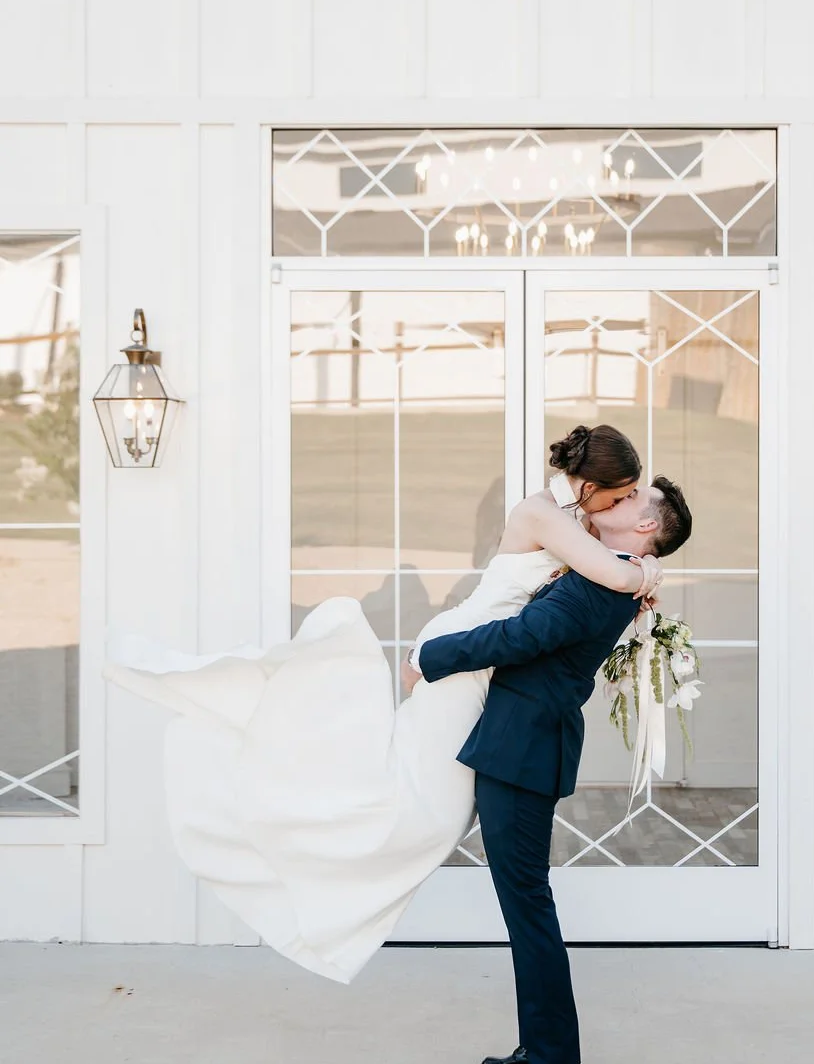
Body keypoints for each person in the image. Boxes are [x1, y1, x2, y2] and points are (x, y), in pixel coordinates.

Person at [102, 423, 686, 993]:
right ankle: (319, 854)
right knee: (416, 797)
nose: (626, 498)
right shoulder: (546, 516)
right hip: (464, 651)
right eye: (624, 488)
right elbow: (605, 575)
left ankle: (341, 876)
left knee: (423, 797)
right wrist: (645, 570)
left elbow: (587, 591)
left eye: (635, 496)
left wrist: (641, 569)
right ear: (593, 486)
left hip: (481, 667)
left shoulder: (579, 523)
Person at [405, 476, 692, 1064]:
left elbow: (520, 638)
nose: (616, 502)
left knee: (528, 907)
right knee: (525, 906)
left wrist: (428, 656)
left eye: (631, 503)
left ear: (647, 528)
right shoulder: (611, 570)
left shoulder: (602, 585)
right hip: (522, 741)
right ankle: (541, 1047)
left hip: (524, 748)